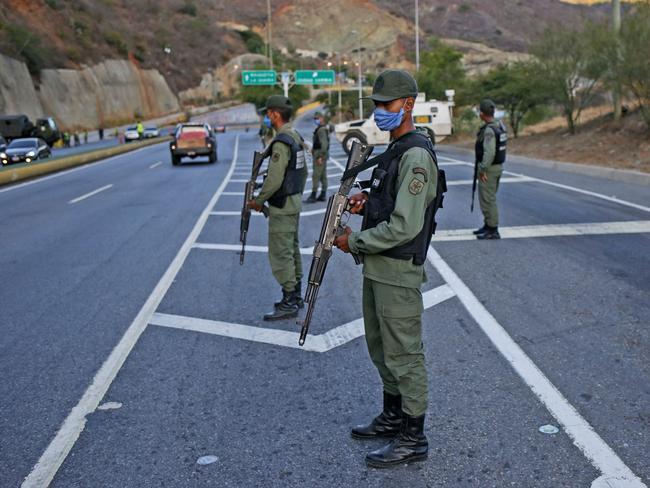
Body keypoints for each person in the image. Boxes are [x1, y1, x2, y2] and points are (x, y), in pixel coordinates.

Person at [334, 70, 440, 468]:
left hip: (397, 271)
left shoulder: (415, 154)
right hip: (378, 270)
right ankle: (393, 417)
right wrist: (366, 199)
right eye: (376, 105)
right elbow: (389, 205)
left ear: (408, 104)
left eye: (387, 105)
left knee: (405, 354)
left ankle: (414, 437)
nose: (380, 111)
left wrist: (354, 242)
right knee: (382, 350)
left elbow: (406, 225)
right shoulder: (395, 150)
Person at [247, 95, 308, 321]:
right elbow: (303, 172)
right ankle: (296, 295)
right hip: (293, 201)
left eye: (268, 113)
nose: (266, 117)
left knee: (281, 253)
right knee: (291, 250)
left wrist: (259, 200)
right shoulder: (296, 136)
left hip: (282, 205)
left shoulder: (282, 141)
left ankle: (289, 300)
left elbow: (273, 179)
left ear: (274, 114)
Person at [473, 99, 507, 240]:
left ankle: (492, 229)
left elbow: (489, 152)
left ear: (482, 113)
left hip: (489, 170)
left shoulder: (489, 130)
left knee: (488, 199)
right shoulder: (499, 125)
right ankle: (487, 225)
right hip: (497, 167)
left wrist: (482, 169)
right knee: (488, 198)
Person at [305, 111, 330, 203]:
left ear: (322, 118)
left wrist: (320, 156)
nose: (316, 120)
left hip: (320, 156)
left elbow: (324, 144)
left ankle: (313, 195)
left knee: (316, 176)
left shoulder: (321, 130)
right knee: (323, 176)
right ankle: (323, 195)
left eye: (317, 118)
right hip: (321, 155)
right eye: (315, 118)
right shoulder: (321, 129)